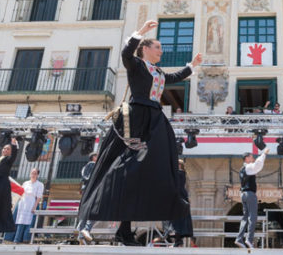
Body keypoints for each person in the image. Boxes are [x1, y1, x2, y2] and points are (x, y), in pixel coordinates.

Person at [78, 20, 202, 246]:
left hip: (155, 120)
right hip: (136, 118)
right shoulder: (135, 64)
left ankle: (127, 230)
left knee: (143, 173)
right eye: (158, 47)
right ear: (145, 49)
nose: (161, 51)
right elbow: (126, 52)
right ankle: (118, 230)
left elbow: (175, 77)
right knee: (127, 172)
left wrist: (192, 66)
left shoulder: (158, 72)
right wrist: (141, 32)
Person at [235, 148, 269, 249]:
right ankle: (249, 240)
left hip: (243, 194)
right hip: (250, 194)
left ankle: (239, 238)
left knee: (245, 218)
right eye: (251, 156)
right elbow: (257, 165)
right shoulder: (248, 167)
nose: (253, 158)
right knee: (252, 217)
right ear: (246, 158)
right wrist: (264, 154)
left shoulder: (242, 169)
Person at [12, 168, 43, 243]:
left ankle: (25, 239)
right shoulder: (26, 183)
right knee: (20, 221)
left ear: (37, 175)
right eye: (32, 173)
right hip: (23, 203)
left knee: (29, 222)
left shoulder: (40, 184)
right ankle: (16, 239)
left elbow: (39, 197)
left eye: (35, 173)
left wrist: (34, 207)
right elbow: (20, 193)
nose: (33, 175)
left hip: (31, 203)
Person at [170, 160, 193, 247]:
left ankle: (178, 241)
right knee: (180, 222)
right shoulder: (182, 174)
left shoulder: (179, 174)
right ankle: (178, 241)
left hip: (179, 199)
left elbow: (177, 187)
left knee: (177, 222)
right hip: (182, 199)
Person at [77, 152, 97, 243]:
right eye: (97, 156)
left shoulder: (87, 166)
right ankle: (84, 230)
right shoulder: (92, 164)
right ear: (93, 157)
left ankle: (81, 233)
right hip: (90, 190)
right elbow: (88, 177)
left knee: (86, 211)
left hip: (87, 190)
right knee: (93, 210)